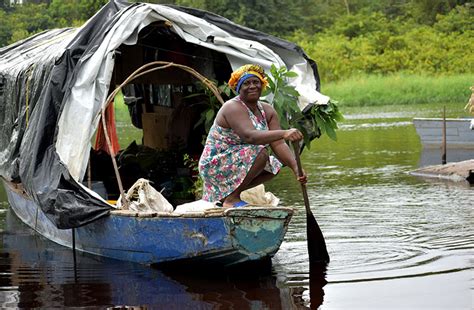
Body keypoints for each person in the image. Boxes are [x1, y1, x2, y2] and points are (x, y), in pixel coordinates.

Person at [198, 64, 307, 208]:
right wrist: (285, 132)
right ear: (238, 88)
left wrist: (296, 168)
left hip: (239, 160)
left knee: (275, 164)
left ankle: (227, 197)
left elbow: (278, 144)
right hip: (215, 163)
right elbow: (250, 137)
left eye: (256, 82)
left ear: (262, 85)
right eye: (246, 83)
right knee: (260, 153)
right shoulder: (232, 107)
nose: (252, 86)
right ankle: (232, 199)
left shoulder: (267, 110)